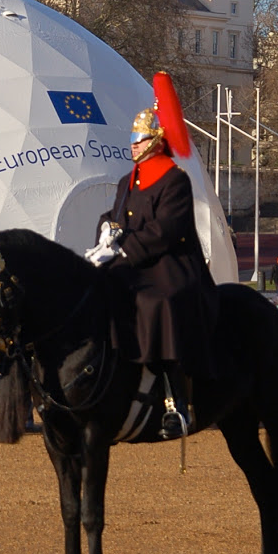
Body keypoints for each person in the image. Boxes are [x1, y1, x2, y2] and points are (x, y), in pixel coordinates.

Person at [85, 73, 217, 440]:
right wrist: (106, 231)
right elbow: (116, 213)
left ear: (156, 140)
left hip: (168, 263)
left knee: (159, 302)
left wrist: (124, 245)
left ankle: (177, 401)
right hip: (130, 258)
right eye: (132, 139)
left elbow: (166, 230)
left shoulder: (174, 179)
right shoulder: (129, 179)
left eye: (139, 139)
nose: (133, 145)